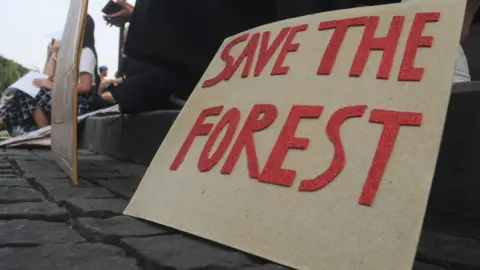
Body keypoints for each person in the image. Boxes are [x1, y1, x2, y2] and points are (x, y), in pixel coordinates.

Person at [33, 14, 100, 128]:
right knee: (30, 91)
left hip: (78, 104)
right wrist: (53, 54)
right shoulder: (74, 54)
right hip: (71, 98)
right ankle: (45, 134)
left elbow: (85, 86)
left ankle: (46, 134)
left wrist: (55, 86)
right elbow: (47, 77)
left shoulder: (86, 52)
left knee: (31, 96)